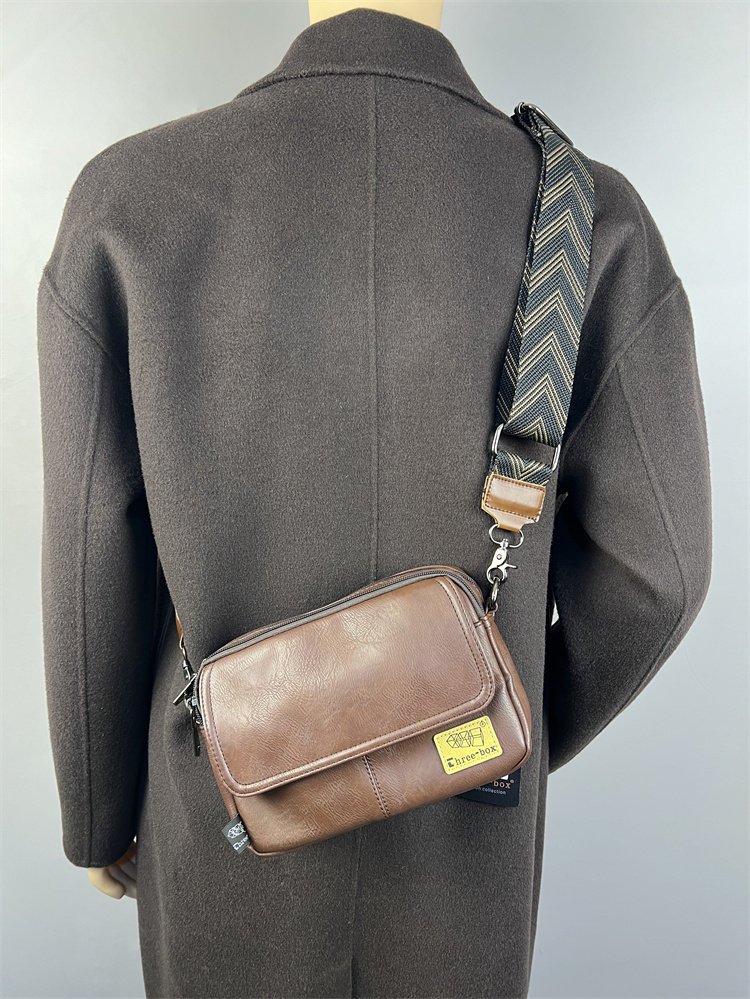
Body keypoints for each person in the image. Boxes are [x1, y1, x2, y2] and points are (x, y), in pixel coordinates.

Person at [36, 3, 712, 996]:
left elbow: (88, 557)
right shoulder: (589, 218)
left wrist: (97, 820)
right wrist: (480, 730)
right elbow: (662, 574)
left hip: (221, 820)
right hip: (466, 855)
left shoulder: (128, 201)